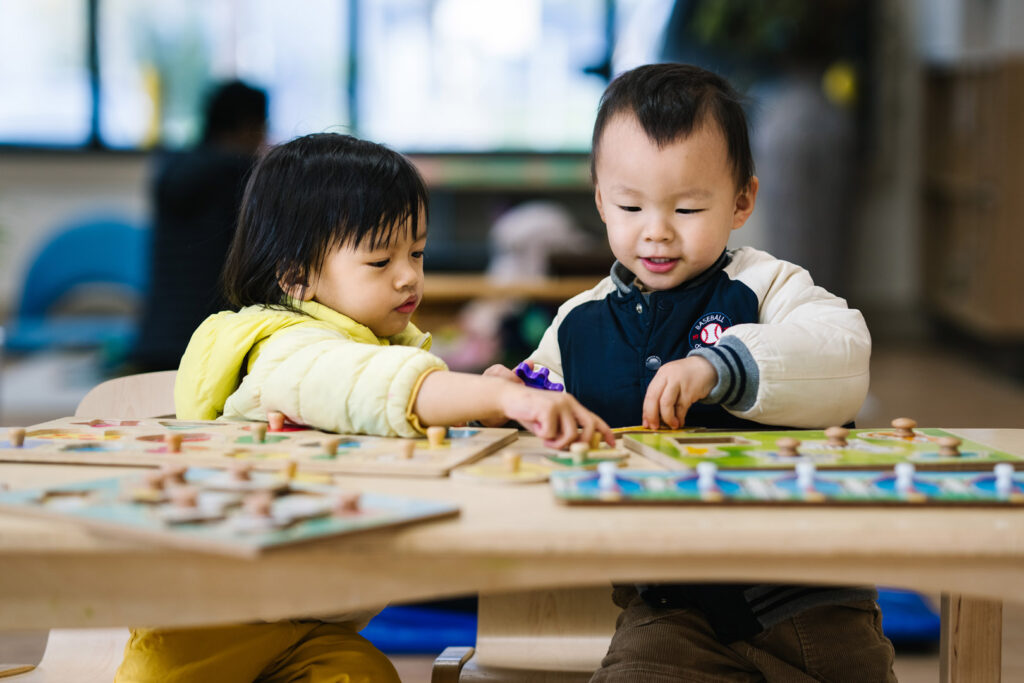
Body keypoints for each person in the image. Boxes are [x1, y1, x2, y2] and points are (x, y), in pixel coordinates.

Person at [116, 132, 613, 683]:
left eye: (417, 252)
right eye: (380, 260)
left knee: (369, 675)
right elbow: (375, 388)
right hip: (207, 620)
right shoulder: (284, 349)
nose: (409, 276)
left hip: (312, 627)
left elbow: (405, 414)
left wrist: (483, 404)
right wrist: (497, 394)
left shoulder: (383, 346)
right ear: (295, 276)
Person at [487, 64, 894, 681]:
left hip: (808, 598)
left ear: (741, 201)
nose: (657, 231)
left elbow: (842, 353)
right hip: (669, 609)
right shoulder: (579, 322)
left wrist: (718, 365)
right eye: (630, 205)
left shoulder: (768, 285)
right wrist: (504, 396)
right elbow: (542, 393)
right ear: (600, 200)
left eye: (687, 207)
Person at [131, 80, 268, 371]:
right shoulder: (240, 179)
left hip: (155, 339)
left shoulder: (174, 168)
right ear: (247, 126)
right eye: (261, 127)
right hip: (207, 344)